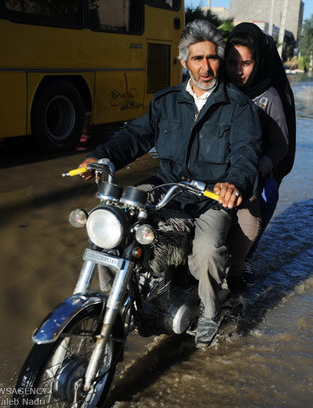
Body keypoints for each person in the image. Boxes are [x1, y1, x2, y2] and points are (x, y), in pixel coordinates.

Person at [76, 20, 262, 348]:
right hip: (165, 186)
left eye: (213, 58)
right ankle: (115, 296)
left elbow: (246, 155)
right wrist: (101, 158)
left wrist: (232, 184)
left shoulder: (239, 107)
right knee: (111, 217)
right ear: (183, 63)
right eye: (197, 59)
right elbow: (135, 136)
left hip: (208, 198)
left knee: (206, 252)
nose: (206, 67)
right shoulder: (165, 102)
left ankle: (209, 310)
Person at [224, 23, 296, 291]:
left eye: (246, 63)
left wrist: (260, 167)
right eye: (232, 62)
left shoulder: (268, 97)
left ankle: (247, 256)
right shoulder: (216, 88)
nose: (237, 71)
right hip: (216, 169)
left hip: (254, 170)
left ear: (258, 62)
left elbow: (280, 146)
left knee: (268, 193)